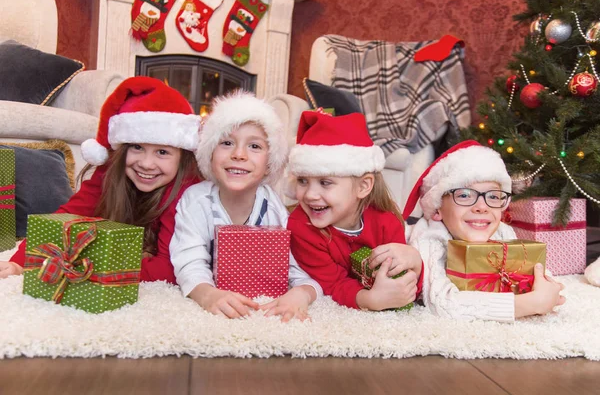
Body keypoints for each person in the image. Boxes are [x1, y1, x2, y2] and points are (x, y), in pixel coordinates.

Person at [0, 76, 202, 283]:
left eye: (162, 152)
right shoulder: (110, 173)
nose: (146, 163)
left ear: (183, 158)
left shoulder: (187, 189)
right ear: (121, 149)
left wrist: (90, 266)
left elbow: (167, 270)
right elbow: (65, 218)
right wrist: (19, 262)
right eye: (137, 147)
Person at [169, 91, 322, 321]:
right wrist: (207, 294)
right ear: (210, 154)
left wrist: (301, 294)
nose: (239, 154)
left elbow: (297, 267)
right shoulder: (196, 201)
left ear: (270, 163)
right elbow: (188, 260)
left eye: (254, 146)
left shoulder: (273, 207)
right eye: (227, 143)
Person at [404, 140, 566, 322]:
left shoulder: (502, 232)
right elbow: (444, 303)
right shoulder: (430, 238)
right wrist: (530, 303)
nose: (482, 207)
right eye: (465, 195)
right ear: (437, 209)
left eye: (494, 197)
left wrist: (548, 287)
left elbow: (532, 271)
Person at [286, 110, 423, 311]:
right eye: (302, 181)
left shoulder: (386, 220)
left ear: (363, 186)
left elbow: (404, 277)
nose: (310, 195)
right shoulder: (301, 227)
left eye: (325, 182)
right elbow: (333, 283)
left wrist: (415, 264)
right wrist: (369, 300)